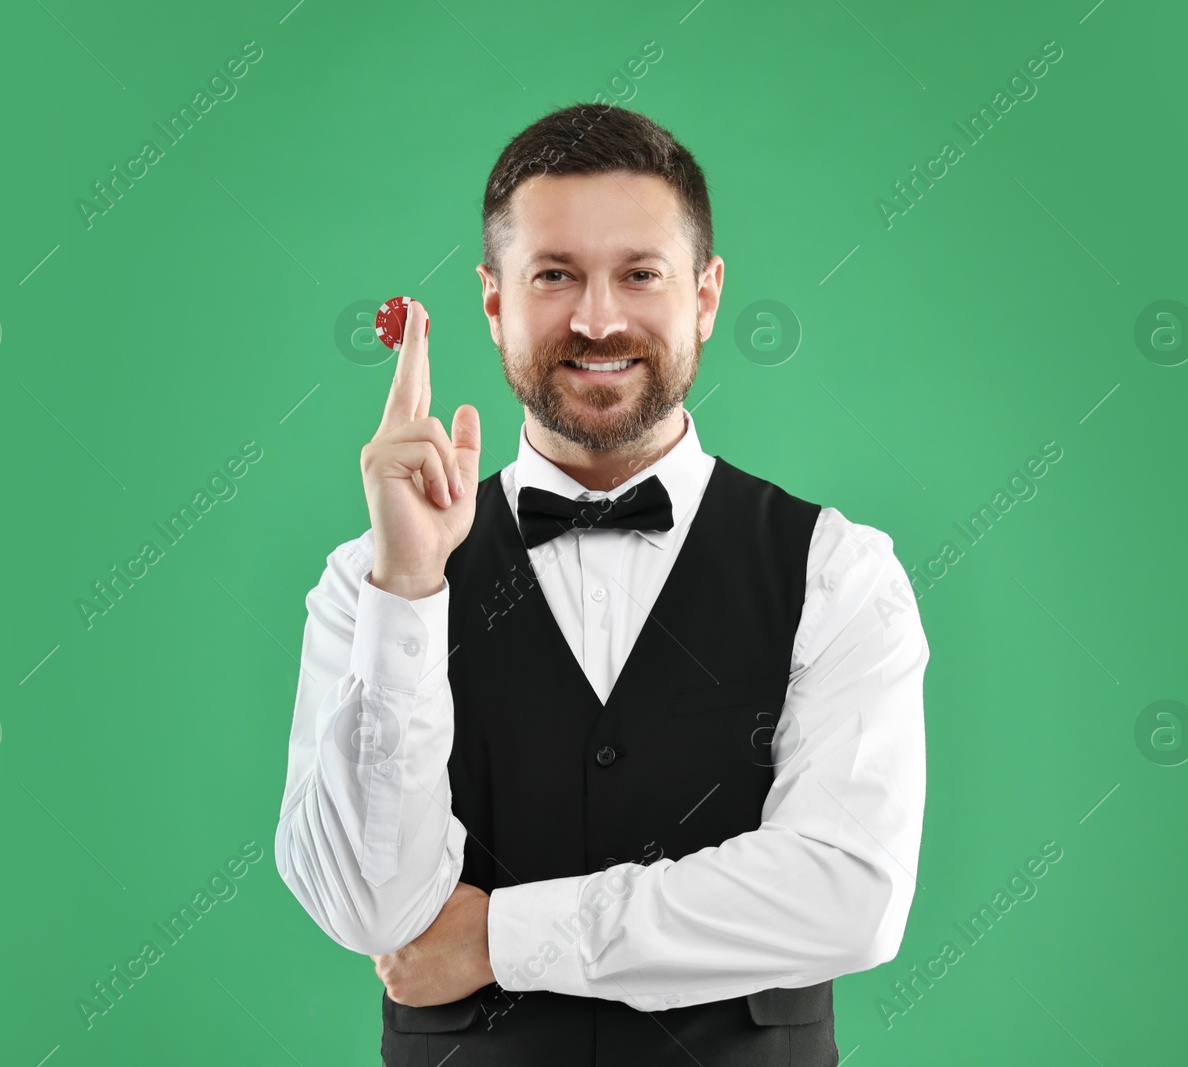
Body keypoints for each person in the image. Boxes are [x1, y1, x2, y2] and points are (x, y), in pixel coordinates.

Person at [274, 103, 929, 1067]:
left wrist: (502, 938)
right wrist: (410, 588)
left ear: (704, 296)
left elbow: (847, 893)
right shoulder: (365, 583)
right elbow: (371, 908)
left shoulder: (837, 570)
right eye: (554, 276)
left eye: (639, 274)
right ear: (493, 301)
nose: (598, 318)